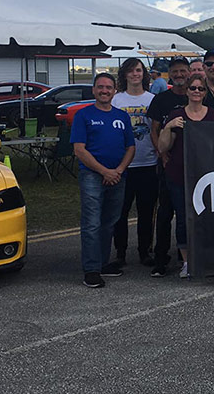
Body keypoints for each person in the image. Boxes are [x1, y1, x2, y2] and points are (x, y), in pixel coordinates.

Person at [156, 74, 214, 278]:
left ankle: (207, 258)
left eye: (200, 89)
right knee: (183, 219)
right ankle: (186, 261)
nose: (196, 92)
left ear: (205, 93)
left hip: (206, 175)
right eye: (192, 88)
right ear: (187, 91)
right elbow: (162, 146)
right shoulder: (176, 115)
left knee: (208, 217)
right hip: (179, 174)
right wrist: (168, 126)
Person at [72, 73, 136, 288]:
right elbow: (79, 150)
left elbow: (131, 147)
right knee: (92, 223)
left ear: (114, 90)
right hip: (92, 175)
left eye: (109, 87)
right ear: (93, 90)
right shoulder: (84, 116)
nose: (104, 91)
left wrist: (117, 170)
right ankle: (91, 269)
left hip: (118, 175)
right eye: (100, 87)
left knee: (110, 221)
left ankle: (102, 262)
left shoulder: (122, 116)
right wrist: (103, 171)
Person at [145, 56, 190, 276]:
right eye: (176, 72)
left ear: (189, 72)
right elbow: (154, 129)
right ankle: (160, 260)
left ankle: (190, 257)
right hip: (167, 164)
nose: (179, 75)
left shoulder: (199, 96)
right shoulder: (161, 99)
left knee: (188, 214)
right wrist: (161, 153)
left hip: (192, 166)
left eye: (183, 71)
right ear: (170, 74)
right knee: (165, 213)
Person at [111, 58, 158, 267]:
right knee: (120, 212)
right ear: (125, 74)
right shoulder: (116, 100)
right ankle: (120, 252)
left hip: (148, 162)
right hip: (122, 166)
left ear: (144, 73)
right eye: (130, 71)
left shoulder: (152, 99)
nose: (135, 74)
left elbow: (157, 130)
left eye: (138, 70)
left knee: (146, 212)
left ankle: (144, 250)